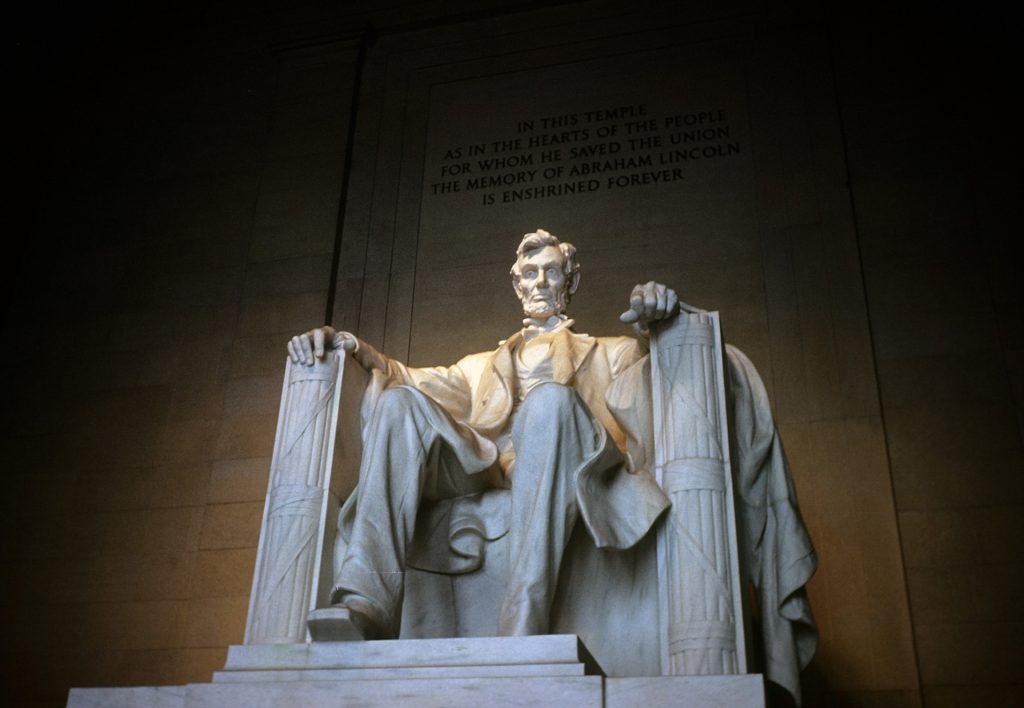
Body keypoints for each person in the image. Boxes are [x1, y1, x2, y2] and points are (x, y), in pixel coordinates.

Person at [287, 229, 677, 640]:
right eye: (530, 273)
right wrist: (349, 345)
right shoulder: (479, 366)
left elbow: (647, 377)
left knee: (549, 401)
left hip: (564, 457)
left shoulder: (611, 351)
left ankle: (523, 619)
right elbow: (408, 377)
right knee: (398, 402)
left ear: (571, 281)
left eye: (551, 272)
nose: (540, 283)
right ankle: (366, 602)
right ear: (517, 284)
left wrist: (654, 325)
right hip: (487, 462)